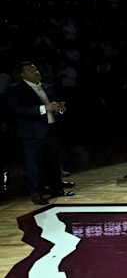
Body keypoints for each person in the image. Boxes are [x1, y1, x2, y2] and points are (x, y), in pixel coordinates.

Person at [7, 61, 73, 205]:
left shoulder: (48, 87)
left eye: (35, 69)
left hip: (51, 130)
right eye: (30, 70)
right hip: (31, 133)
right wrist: (44, 108)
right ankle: (37, 193)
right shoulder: (16, 89)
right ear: (22, 74)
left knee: (53, 162)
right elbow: (17, 109)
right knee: (34, 165)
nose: (35, 72)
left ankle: (57, 189)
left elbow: (56, 105)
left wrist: (60, 109)